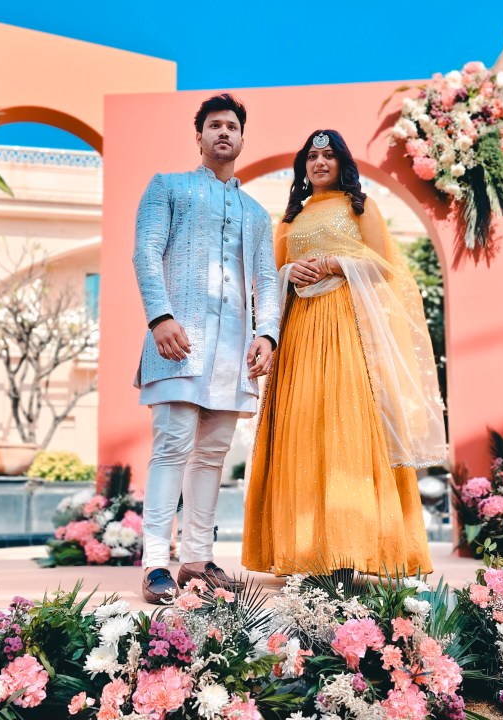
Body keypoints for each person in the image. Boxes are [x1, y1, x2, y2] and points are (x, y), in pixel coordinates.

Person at [242, 129, 446, 577]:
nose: (319, 163)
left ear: (341, 163)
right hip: (298, 332)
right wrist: (291, 270)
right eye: (312, 156)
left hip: (344, 328)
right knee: (301, 427)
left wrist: (335, 264)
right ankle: (305, 547)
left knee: (345, 423)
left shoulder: (361, 206)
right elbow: (270, 278)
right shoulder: (291, 218)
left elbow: (381, 265)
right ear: (303, 166)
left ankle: (354, 547)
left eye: (328, 156)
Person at [133, 93, 280, 603]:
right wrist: (160, 317)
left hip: (233, 350)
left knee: (213, 453)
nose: (224, 133)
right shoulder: (167, 188)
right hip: (179, 339)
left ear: (242, 138)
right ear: (198, 136)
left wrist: (268, 334)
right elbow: (146, 253)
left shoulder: (256, 213)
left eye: (232, 126)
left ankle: (196, 559)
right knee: (172, 443)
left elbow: (266, 278)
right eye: (214, 125)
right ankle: (155, 562)